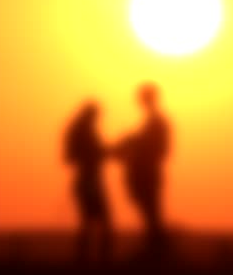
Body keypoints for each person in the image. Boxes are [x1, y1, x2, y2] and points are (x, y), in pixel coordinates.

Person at [115, 82, 172, 261]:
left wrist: (131, 141)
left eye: (142, 97)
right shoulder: (153, 120)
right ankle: (156, 252)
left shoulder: (157, 121)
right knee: (150, 213)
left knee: (151, 214)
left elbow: (158, 148)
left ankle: (156, 255)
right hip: (146, 172)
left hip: (148, 173)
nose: (139, 101)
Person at [63, 100, 113, 264]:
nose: (98, 119)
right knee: (102, 220)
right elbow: (77, 155)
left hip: (88, 179)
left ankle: (86, 258)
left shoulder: (79, 129)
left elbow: (70, 156)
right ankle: (101, 259)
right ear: (91, 114)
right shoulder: (84, 131)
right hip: (89, 179)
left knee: (88, 221)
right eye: (96, 115)